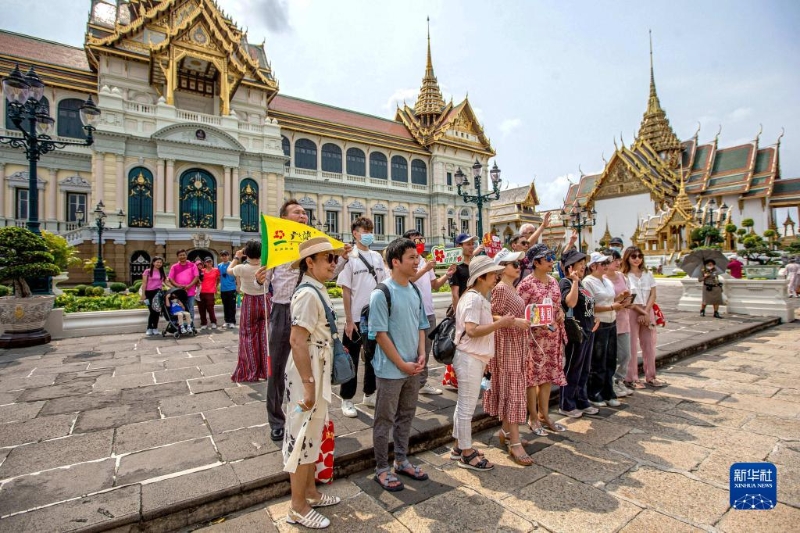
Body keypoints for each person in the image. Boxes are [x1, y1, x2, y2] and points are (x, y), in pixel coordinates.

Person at [255, 200, 351, 442]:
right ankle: (277, 419)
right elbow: (265, 281)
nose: (303, 216)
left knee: (312, 364)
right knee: (277, 368)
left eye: (304, 213)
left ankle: (309, 411)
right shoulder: (277, 246)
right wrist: (259, 279)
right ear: (285, 219)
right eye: (297, 212)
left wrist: (342, 259)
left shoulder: (312, 244)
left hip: (310, 309)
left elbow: (326, 273)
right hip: (283, 310)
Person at [282, 237, 344, 529]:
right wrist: (308, 385)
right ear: (310, 262)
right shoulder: (307, 294)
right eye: (328, 259)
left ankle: (309, 493)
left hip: (317, 367)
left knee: (312, 435)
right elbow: (296, 340)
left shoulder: (315, 289)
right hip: (308, 371)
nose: (334, 264)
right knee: (302, 436)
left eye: (335, 259)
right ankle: (297, 506)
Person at [369, 238, 430, 491]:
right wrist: (402, 364)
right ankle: (381, 468)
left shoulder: (414, 290)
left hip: (413, 366)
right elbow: (380, 335)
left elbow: (421, 325)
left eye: (417, 257)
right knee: (384, 420)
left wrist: (422, 353)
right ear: (396, 262)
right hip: (391, 369)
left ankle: (401, 459)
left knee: (407, 415)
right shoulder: (381, 293)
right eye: (411, 258)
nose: (417, 262)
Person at [452, 256, 513, 472]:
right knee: (467, 407)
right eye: (493, 274)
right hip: (470, 357)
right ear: (482, 276)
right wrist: (501, 324)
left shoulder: (477, 297)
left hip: (474, 356)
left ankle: (459, 446)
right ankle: (467, 453)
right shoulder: (473, 299)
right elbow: (472, 330)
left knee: (463, 405)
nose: (496, 277)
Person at [484, 248, 534, 466]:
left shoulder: (511, 288)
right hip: (505, 344)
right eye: (514, 264)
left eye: (518, 264)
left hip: (516, 343)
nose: (518, 267)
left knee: (514, 388)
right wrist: (514, 321)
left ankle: (506, 431)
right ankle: (514, 441)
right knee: (513, 389)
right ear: (503, 268)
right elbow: (490, 315)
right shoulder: (501, 289)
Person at [337, 216, 388, 417]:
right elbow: (346, 291)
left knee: (373, 358)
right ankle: (347, 399)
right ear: (355, 233)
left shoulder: (376, 257)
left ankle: (369, 393)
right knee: (350, 359)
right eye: (363, 230)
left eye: (369, 230)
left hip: (374, 317)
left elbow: (383, 285)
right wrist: (349, 320)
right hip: (356, 318)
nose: (367, 234)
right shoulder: (350, 256)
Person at [517, 244, 568, 433]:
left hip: (552, 337)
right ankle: (532, 417)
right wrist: (539, 318)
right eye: (547, 259)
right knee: (532, 379)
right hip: (534, 339)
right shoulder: (526, 284)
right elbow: (519, 311)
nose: (551, 262)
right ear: (536, 263)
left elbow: (557, 304)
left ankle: (544, 414)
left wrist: (560, 312)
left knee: (547, 377)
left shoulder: (553, 281)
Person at [406, 229, 454, 396]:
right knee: (411, 350)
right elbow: (406, 280)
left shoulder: (426, 260)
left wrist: (447, 275)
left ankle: (422, 383)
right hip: (411, 313)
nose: (420, 243)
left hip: (428, 312)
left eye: (421, 240)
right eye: (415, 240)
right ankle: (409, 385)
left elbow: (435, 285)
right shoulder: (410, 262)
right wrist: (425, 268)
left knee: (425, 350)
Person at [558, 249, 598, 418]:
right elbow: (571, 303)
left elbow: (587, 305)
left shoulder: (581, 284)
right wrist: (574, 281)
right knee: (573, 368)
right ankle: (567, 403)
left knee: (584, 369)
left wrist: (595, 318)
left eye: (583, 264)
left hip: (589, 330)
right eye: (579, 265)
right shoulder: (566, 283)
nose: (583, 267)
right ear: (569, 267)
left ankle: (581, 399)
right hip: (576, 332)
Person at [583, 252, 625, 408]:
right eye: (603, 264)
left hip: (611, 320)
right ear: (593, 266)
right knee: (598, 361)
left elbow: (610, 299)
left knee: (610, 359)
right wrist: (612, 306)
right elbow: (590, 306)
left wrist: (620, 299)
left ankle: (608, 392)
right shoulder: (588, 282)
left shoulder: (606, 281)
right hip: (599, 323)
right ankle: (595, 393)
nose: (606, 266)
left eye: (607, 263)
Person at [622, 247, 665, 387]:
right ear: (627, 258)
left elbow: (653, 294)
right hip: (632, 311)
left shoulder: (647, 274)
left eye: (639, 256)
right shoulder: (624, 276)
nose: (637, 259)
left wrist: (646, 311)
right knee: (632, 345)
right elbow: (626, 298)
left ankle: (651, 376)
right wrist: (641, 311)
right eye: (633, 256)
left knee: (649, 344)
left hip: (647, 309)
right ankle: (632, 378)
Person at [230, 241, 270, 383]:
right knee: (265, 336)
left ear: (246, 253)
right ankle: (267, 370)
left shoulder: (241, 268)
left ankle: (251, 371)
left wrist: (236, 256)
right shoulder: (266, 267)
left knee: (248, 336)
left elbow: (228, 270)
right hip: (265, 301)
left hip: (249, 302)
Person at [444, 232, 479, 389]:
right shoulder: (456, 268)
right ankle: (457, 379)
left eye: (472, 244)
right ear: (459, 247)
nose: (471, 247)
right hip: (463, 312)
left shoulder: (474, 265)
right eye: (467, 244)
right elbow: (455, 294)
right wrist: (459, 315)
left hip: (476, 309)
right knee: (461, 346)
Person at [604, 249, 634, 398]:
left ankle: (619, 379)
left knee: (625, 354)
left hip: (623, 318)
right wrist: (618, 298)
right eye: (614, 260)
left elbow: (628, 295)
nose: (618, 263)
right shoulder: (601, 279)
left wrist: (628, 301)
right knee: (610, 356)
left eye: (618, 260)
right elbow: (602, 302)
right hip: (609, 320)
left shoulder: (622, 276)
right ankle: (610, 384)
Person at [168, 249, 200, 323]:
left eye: (183, 255)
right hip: (178, 292)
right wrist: (178, 286)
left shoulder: (192, 265)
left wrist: (189, 285)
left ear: (186, 255)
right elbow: (171, 278)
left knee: (190, 308)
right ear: (177, 257)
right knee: (178, 308)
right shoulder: (174, 267)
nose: (182, 256)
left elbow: (196, 277)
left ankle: (191, 325)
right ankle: (179, 325)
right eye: (180, 255)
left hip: (190, 291)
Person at [141, 256, 166, 336]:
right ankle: (149, 328)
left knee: (157, 311)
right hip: (149, 293)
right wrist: (143, 294)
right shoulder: (147, 271)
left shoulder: (161, 272)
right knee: (152, 311)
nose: (159, 264)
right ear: (153, 263)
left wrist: (176, 287)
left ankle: (155, 328)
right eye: (157, 262)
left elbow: (166, 282)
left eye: (160, 262)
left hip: (158, 293)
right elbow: (144, 283)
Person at [217, 250, 240, 329]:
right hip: (223, 289)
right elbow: (218, 277)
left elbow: (237, 276)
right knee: (225, 306)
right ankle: (226, 321)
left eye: (225, 255)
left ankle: (232, 321)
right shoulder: (219, 265)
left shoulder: (232, 264)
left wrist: (238, 286)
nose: (224, 257)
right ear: (221, 257)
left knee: (232, 306)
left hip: (232, 288)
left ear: (228, 256)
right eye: (222, 256)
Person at [197, 257, 220, 331]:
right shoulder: (202, 271)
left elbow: (218, 279)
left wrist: (215, 286)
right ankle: (204, 323)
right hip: (201, 292)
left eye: (210, 262)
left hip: (210, 292)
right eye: (207, 262)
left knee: (210, 308)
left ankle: (213, 322)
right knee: (201, 309)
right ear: (204, 263)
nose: (209, 263)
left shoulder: (216, 270)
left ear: (212, 262)